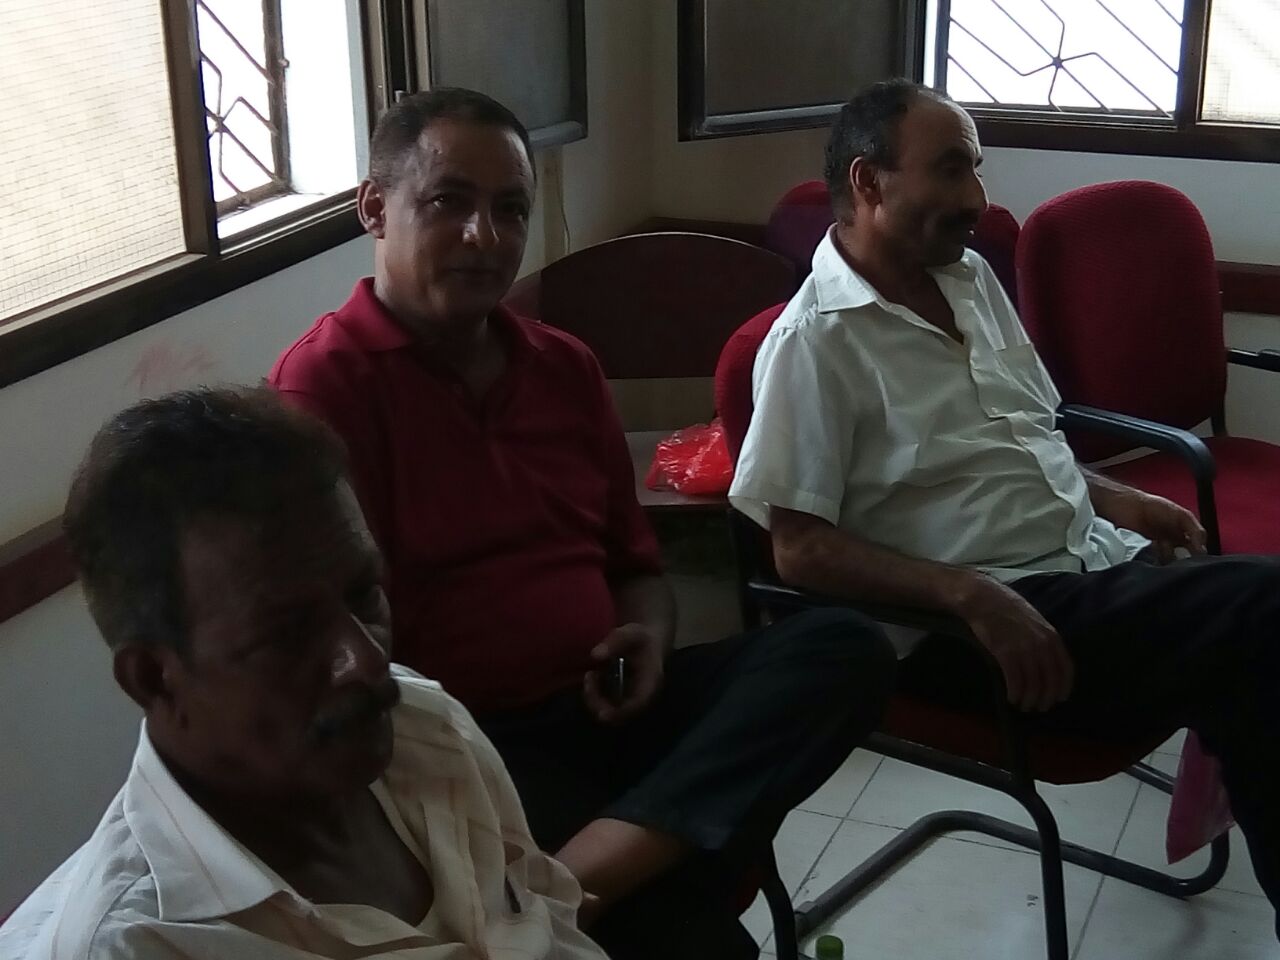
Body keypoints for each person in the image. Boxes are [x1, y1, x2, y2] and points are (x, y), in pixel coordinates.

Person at [270, 87, 897, 958]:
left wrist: (646, 637)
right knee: (698, 942)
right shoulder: (322, 391)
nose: (485, 236)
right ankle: (639, 867)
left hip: (607, 709)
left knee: (842, 647)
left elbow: (635, 568)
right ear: (375, 208)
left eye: (511, 210)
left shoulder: (563, 366)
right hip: (470, 751)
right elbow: (335, 646)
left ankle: (572, 883)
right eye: (449, 202)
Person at [729, 78, 1280, 935]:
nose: (978, 200)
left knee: (1260, 670)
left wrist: (1121, 499)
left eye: (975, 170)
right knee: (1264, 612)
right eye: (951, 170)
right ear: (870, 181)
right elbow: (797, 549)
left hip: (1084, 574)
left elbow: (1024, 438)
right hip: (983, 638)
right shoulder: (814, 342)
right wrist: (968, 593)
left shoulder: (971, 279)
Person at [0, 388, 609, 960]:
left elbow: (551, 919)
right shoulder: (144, 944)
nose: (365, 660)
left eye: (364, 594)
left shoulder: (432, 733)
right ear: (154, 679)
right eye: (288, 634)